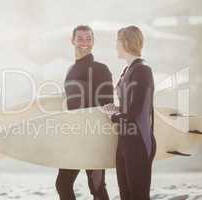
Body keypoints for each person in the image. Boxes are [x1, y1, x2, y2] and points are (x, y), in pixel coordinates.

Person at [55, 25, 113, 200]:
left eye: (89, 38)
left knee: (96, 187)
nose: (85, 42)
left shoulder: (101, 69)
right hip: (75, 137)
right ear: (72, 41)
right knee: (63, 184)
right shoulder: (70, 70)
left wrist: (103, 140)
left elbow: (107, 104)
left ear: (93, 41)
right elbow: (71, 103)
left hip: (93, 138)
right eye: (80, 38)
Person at [108, 25, 157, 199]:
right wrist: (116, 109)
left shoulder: (143, 70)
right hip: (124, 142)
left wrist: (113, 116)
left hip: (139, 142)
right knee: (125, 196)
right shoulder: (126, 71)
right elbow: (128, 107)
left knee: (138, 196)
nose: (115, 46)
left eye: (118, 42)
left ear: (126, 43)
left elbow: (135, 111)